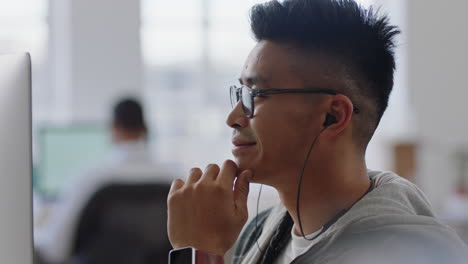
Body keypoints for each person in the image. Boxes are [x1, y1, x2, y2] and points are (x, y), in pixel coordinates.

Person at [166, 0, 467, 263]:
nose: (234, 117)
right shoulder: (261, 231)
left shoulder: (401, 255)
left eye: (256, 95)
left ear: (332, 116)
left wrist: (198, 252)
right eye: (240, 93)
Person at [35, 98, 176, 264]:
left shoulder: (91, 179)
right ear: (146, 128)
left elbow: (56, 251)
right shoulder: (175, 178)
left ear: (113, 128)